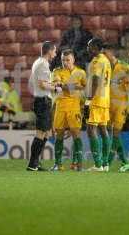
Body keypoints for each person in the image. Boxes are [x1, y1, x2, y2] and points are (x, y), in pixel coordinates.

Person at [50, 49, 87, 171]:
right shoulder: (57, 71)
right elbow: (58, 86)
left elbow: (86, 87)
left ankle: (77, 163)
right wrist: (76, 86)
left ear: (73, 60)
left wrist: (68, 86)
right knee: (59, 135)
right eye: (63, 60)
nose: (65, 62)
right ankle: (58, 164)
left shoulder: (81, 72)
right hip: (61, 106)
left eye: (67, 60)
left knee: (76, 134)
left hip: (75, 107)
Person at [27, 41, 60, 171]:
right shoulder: (43, 64)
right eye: (55, 51)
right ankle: (32, 164)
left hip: (43, 100)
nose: (56, 53)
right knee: (41, 132)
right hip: (42, 101)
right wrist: (56, 88)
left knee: (47, 133)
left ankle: (36, 162)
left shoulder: (38, 63)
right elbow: (42, 84)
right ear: (49, 51)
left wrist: (52, 84)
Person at [103, 45, 129, 172]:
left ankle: (107, 163)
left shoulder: (124, 66)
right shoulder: (105, 67)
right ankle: (125, 162)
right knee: (113, 134)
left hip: (121, 104)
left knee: (115, 133)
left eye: (105, 53)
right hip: (109, 105)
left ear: (111, 53)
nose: (103, 56)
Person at [85, 38, 112, 172]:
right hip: (105, 99)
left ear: (96, 47)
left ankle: (98, 164)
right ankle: (105, 164)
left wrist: (89, 98)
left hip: (96, 100)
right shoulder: (106, 60)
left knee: (91, 130)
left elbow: (96, 79)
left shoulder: (97, 61)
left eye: (89, 46)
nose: (87, 48)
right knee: (103, 129)